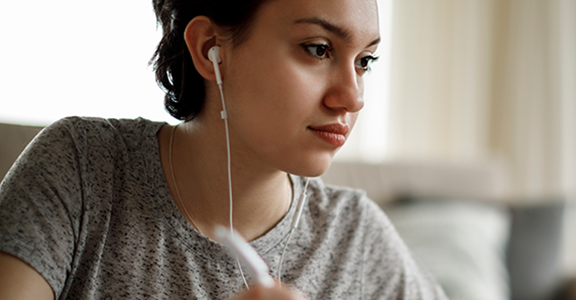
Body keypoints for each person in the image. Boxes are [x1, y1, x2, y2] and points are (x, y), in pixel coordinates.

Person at [0, 0, 448, 299]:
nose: (353, 97)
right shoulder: (82, 169)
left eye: (364, 61)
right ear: (211, 49)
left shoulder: (356, 238)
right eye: (318, 49)